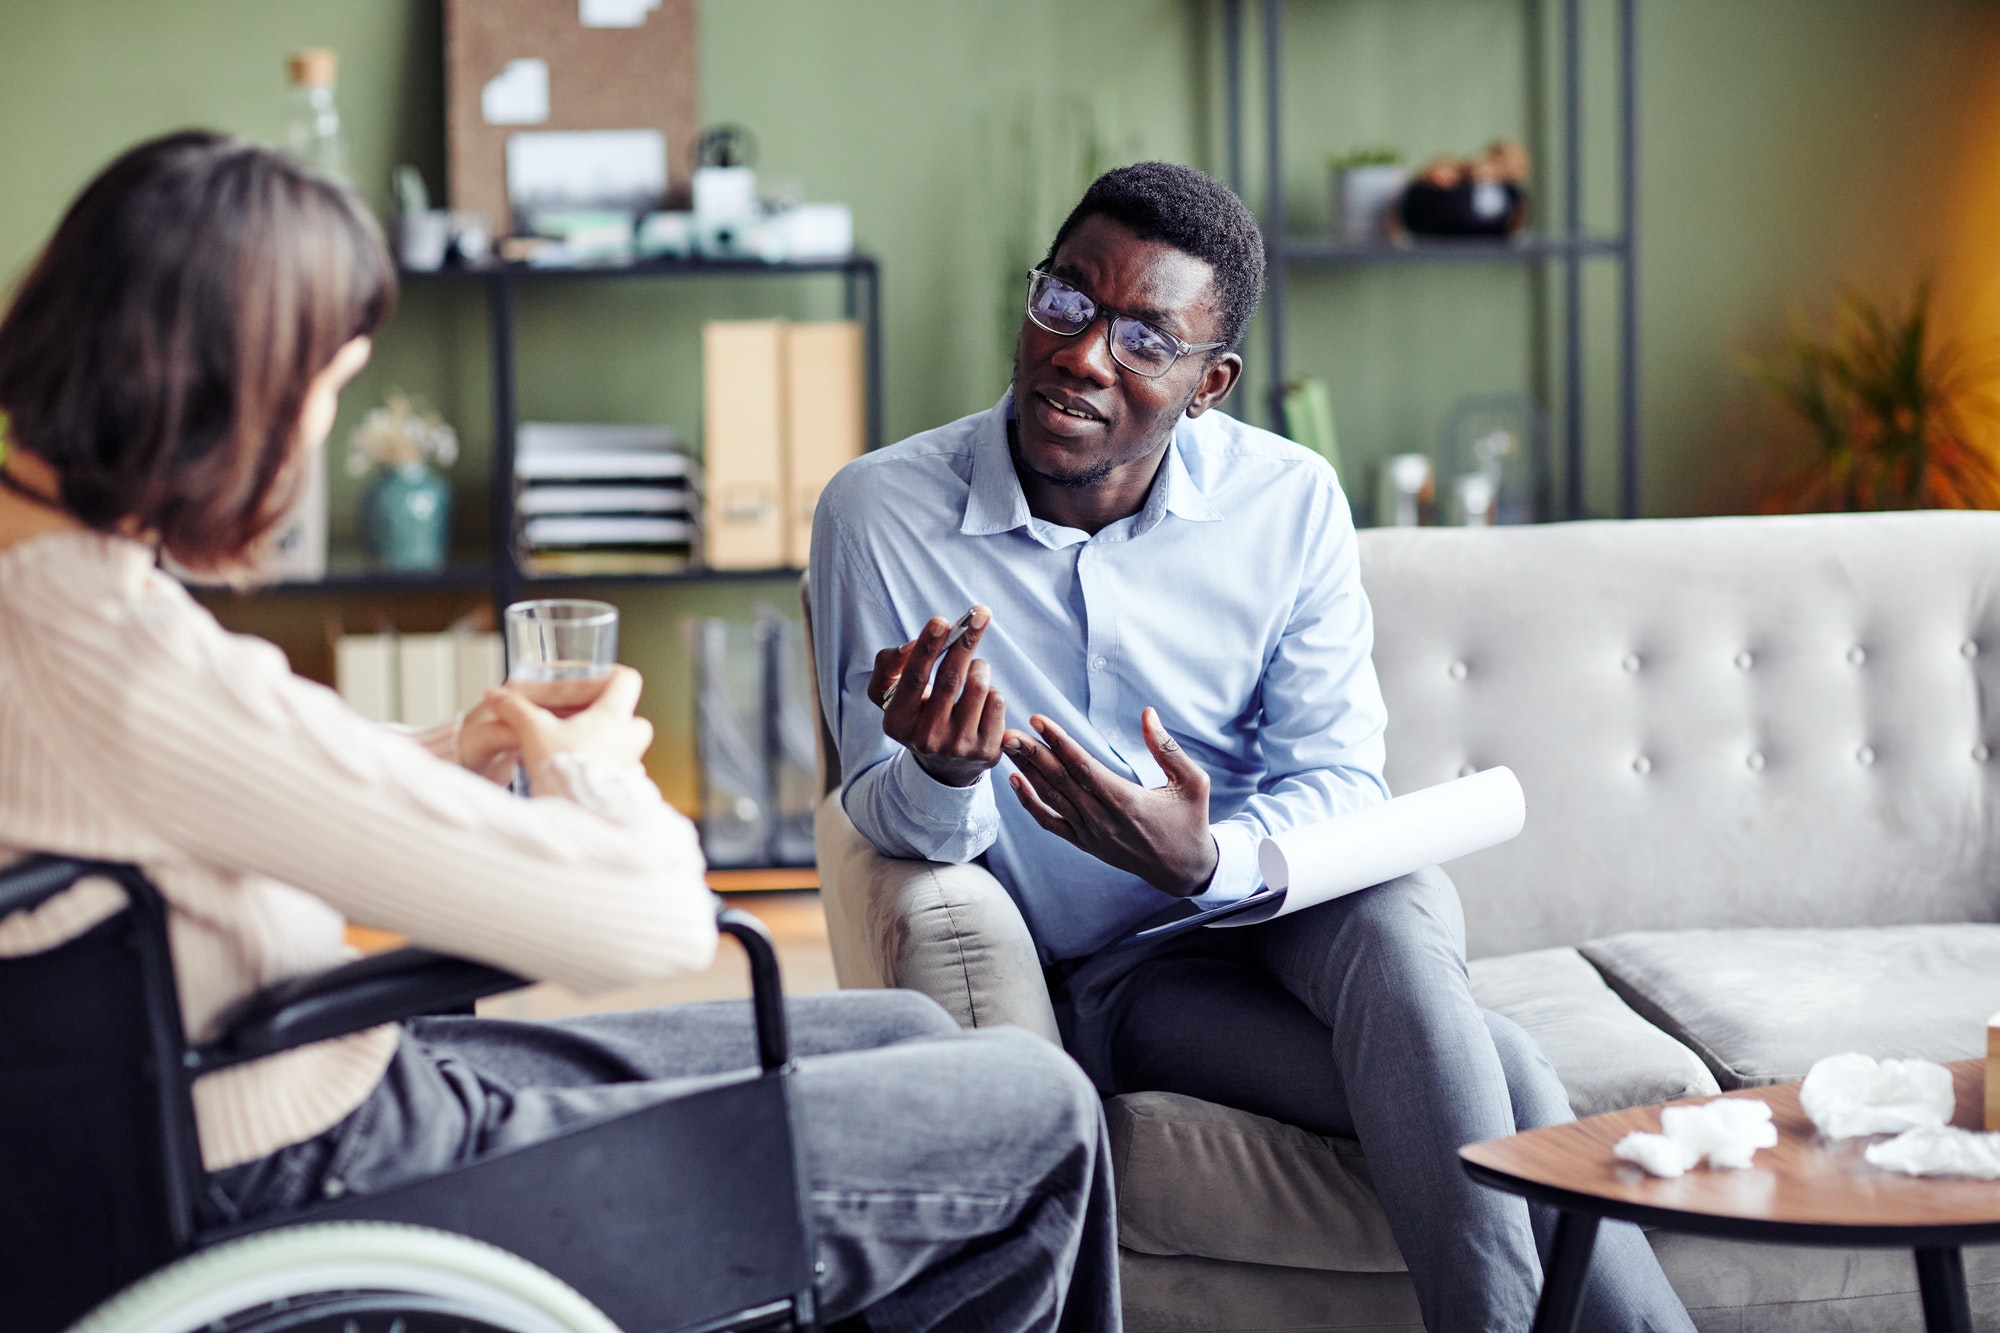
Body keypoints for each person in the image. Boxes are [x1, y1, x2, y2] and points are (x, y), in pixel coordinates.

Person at [0, 131, 1118, 1333]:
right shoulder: (119, 656)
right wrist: (593, 774)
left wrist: (452, 748)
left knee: (904, 1024)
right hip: (324, 1177)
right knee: (1038, 1109)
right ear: (228, 400)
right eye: (327, 394)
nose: (318, 441)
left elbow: (193, 791)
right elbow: (649, 922)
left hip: (268, 1097)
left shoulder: (50, 598)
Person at [809, 160, 1695, 1333]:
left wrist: (1206, 859)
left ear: (1209, 381)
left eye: (1142, 339)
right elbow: (872, 802)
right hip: (1125, 979)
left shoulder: (1289, 500)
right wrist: (942, 771)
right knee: (1510, 1077)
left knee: (1392, 903)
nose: (1080, 354)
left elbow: (1338, 778)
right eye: (1065, 300)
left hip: (1292, 913)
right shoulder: (878, 514)